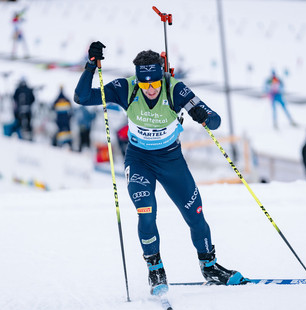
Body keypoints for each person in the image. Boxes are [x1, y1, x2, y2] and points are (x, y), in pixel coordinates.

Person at [74, 41, 247, 295]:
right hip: (139, 160)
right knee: (146, 212)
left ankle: (209, 266)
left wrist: (202, 115)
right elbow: (82, 97)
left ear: (161, 76)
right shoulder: (126, 88)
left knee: (195, 213)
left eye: (155, 82)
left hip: (171, 161)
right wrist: (91, 66)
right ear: (138, 80)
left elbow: (216, 120)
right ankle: (155, 270)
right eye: (145, 84)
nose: (151, 89)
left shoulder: (174, 89)